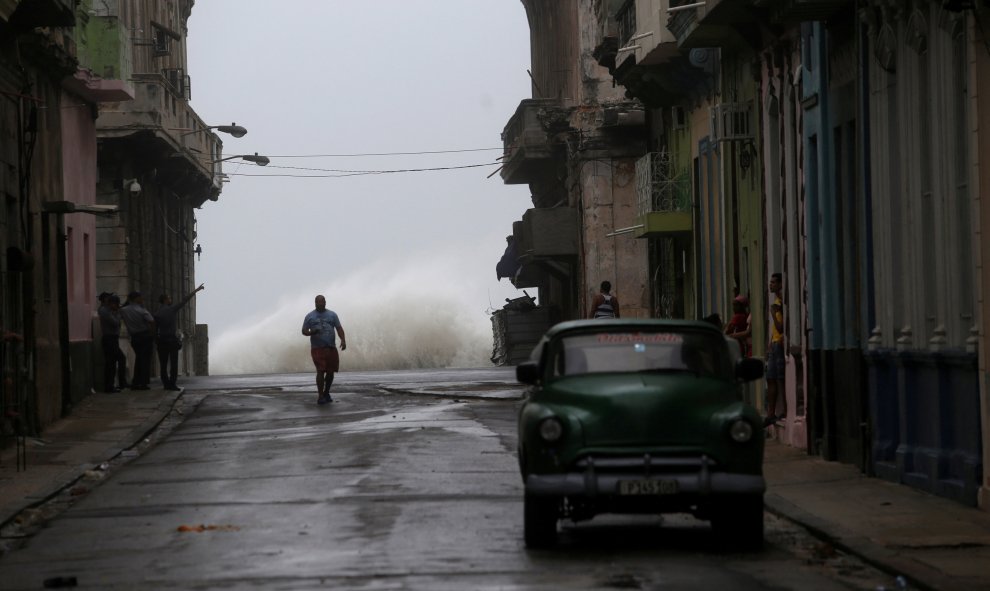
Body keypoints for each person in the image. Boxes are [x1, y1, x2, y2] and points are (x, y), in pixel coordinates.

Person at [154, 284, 205, 391]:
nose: (170, 299)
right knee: (173, 364)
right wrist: (196, 290)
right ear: (165, 300)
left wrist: (156, 340)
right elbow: (185, 300)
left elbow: (155, 328)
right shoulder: (171, 309)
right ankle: (172, 384)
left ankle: (166, 384)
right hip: (171, 340)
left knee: (163, 364)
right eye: (169, 298)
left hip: (162, 341)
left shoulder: (157, 313)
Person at [301, 295, 346, 405]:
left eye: (323, 302)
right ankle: (320, 395)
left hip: (331, 347)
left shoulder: (332, 315)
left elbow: (339, 328)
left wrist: (343, 340)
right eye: (318, 302)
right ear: (315, 303)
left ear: (325, 302)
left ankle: (326, 392)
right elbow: (304, 331)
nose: (321, 304)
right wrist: (312, 332)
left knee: (330, 372)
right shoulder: (309, 316)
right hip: (317, 348)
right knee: (320, 371)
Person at [119, 291, 155, 390]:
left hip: (134, 337)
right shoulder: (141, 310)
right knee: (145, 360)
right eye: (140, 297)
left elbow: (118, 316)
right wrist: (152, 334)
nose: (142, 299)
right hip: (145, 335)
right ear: (136, 299)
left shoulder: (123, 310)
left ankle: (136, 382)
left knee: (139, 359)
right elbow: (151, 321)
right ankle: (143, 383)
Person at [765, 273, 786, 427]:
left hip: (779, 344)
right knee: (771, 378)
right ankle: (770, 413)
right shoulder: (776, 302)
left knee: (779, 378)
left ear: (780, 284)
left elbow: (780, 327)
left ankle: (783, 410)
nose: (770, 285)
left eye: (773, 282)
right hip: (774, 343)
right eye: (770, 282)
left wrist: (772, 312)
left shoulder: (780, 304)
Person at [98, 293, 128, 392]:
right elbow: (115, 322)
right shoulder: (104, 311)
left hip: (113, 339)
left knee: (117, 360)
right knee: (111, 363)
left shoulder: (109, 310)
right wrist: (117, 313)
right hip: (109, 339)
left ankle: (118, 383)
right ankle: (110, 386)